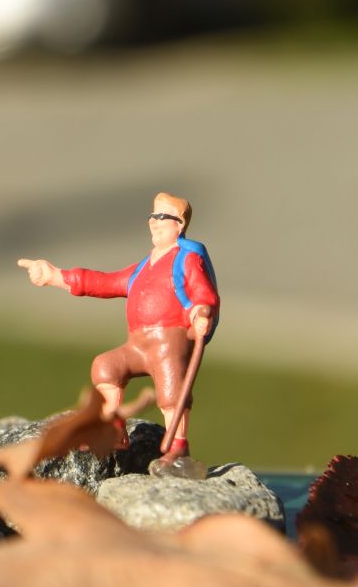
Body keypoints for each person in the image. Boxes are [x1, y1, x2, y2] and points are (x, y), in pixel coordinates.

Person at [17, 191, 218, 460]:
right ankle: (112, 432)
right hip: (137, 343)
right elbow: (106, 282)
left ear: (179, 224)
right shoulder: (143, 267)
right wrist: (55, 276)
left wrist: (201, 312)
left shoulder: (187, 258)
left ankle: (177, 447)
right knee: (106, 366)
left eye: (162, 216)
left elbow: (202, 291)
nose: (154, 222)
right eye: (152, 216)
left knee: (171, 391)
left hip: (169, 341)